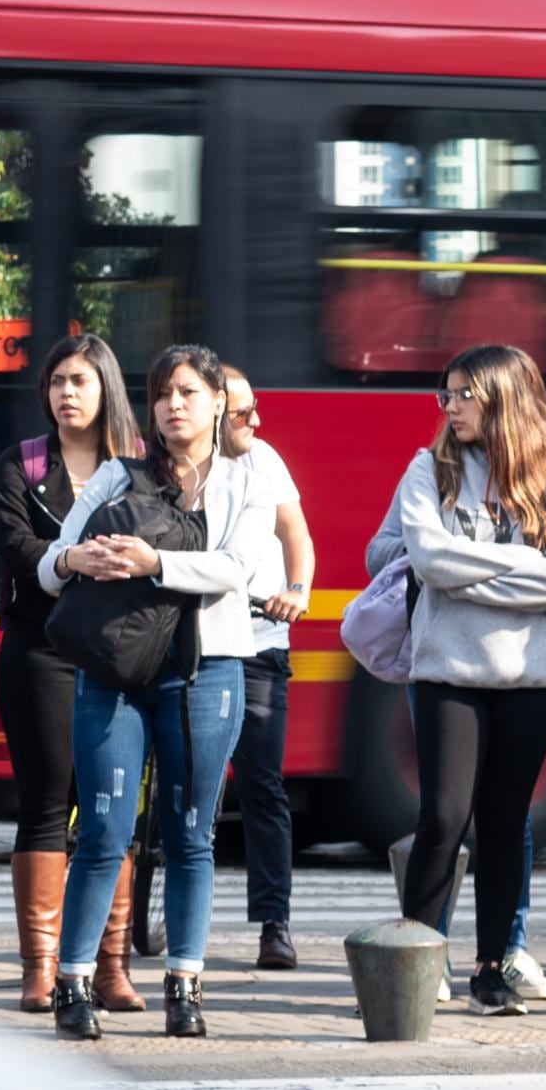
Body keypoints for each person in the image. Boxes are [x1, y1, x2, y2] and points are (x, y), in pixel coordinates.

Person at [39, 345, 260, 1040]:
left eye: (188, 392)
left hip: (207, 669)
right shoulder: (117, 474)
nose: (173, 405)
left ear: (218, 402)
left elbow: (238, 568)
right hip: (113, 668)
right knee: (103, 832)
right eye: (163, 394)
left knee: (191, 835)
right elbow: (49, 564)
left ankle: (184, 987)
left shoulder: (243, 479)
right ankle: (72, 984)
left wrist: (153, 561)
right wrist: (74, 558)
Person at [371, 345, 546, 1019]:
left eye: (465, 394)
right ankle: (414, 962)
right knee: (443, 816)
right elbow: (429, 561)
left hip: (534, 677)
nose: (451, 406)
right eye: (447, 393)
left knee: (504, 821)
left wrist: (470, 573)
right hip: (449, 673)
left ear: (504, 399)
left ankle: (491, 970)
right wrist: (518, 568)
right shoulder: (428, 468)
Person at [0, 333, 138, 1010]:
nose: (66, 393)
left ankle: (110, 968)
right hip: (39, 649)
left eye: (80, 381)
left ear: (106, 388)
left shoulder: (137, 467)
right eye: (57, 382)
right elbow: (17, 549)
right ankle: (41, 968)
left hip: (117, 652)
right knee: (46, 803)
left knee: (112, 808)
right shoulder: (21, 465)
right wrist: (74, 558)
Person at [215, 366, 315, 972]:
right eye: (242, 413)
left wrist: (297, 590)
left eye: (256, 407)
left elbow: (295, 534)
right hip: (194, 639)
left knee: (262, 786)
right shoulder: (166, 466)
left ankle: (275, 924)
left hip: (258, 639)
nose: (256, 420)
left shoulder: (264, 460)